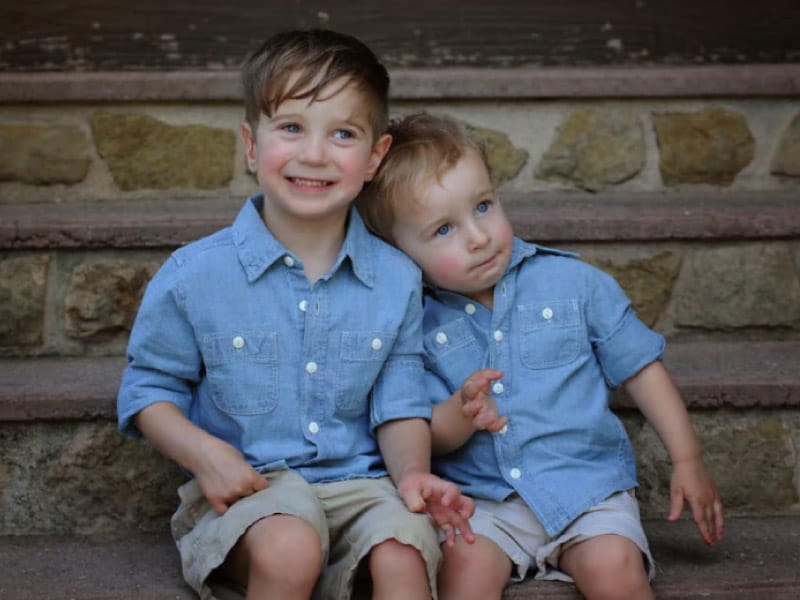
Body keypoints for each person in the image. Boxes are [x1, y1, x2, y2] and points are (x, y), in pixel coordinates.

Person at [117, 33, 476, 600]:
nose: (314, 154)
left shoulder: (396, 278)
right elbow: (147, 390)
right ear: (251, 146)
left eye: (343, 133)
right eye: (291, 128)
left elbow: (400, 401)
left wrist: (411, 475)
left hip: (362, 485)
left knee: (405, 551)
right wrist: (206, 455)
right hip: (252, 491)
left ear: (375, 157)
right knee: (291, 548)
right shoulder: (196, 275)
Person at [357, 112, 724, 600]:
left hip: (586, 491)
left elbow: (641, 367)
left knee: (615, 568)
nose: (478, 236)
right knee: (462, 574)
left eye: (483, 206)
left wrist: (687, 458)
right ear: (399, 252)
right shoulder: (414, 326)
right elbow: (426, 433)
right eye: (443, 230)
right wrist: (462, 414)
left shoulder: (574, 284)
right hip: (483, 504)